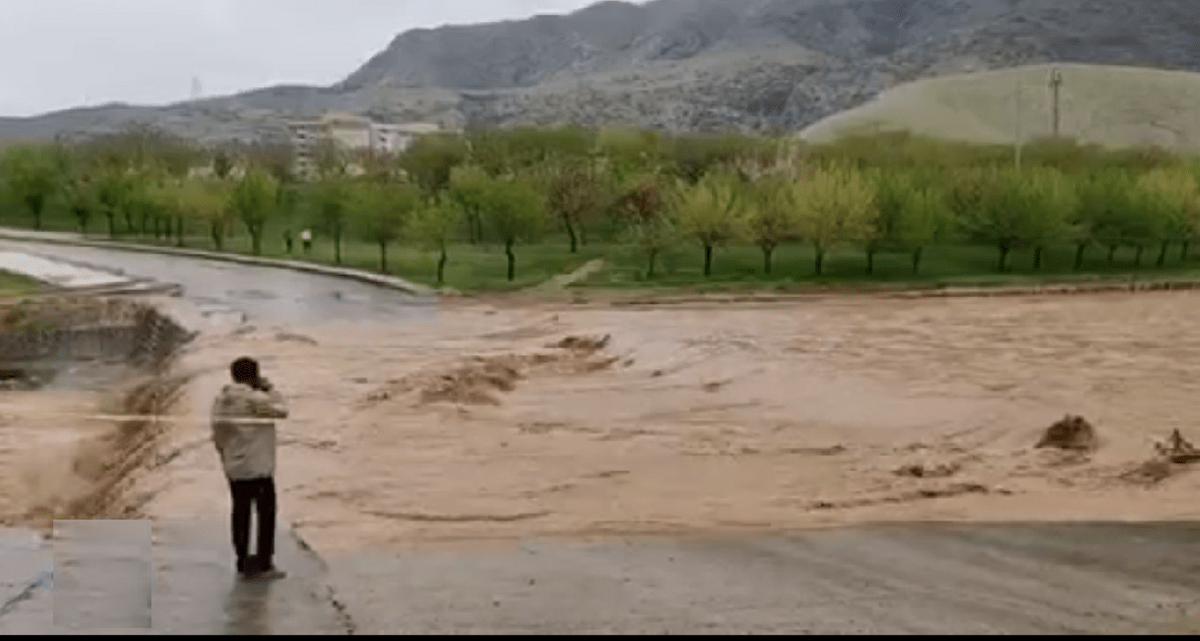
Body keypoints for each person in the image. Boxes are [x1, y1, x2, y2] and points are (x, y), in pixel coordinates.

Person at [210, 356, 289, 580]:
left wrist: (226, 458)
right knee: (266, 515)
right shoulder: (255, 399)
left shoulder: (221, 399)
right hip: (258, 468)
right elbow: (282, 410)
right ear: (254, 375)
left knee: (240, 513)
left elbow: (217, 435)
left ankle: (243, 562)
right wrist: (269, 388)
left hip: (234, 466)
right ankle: (264, 564)